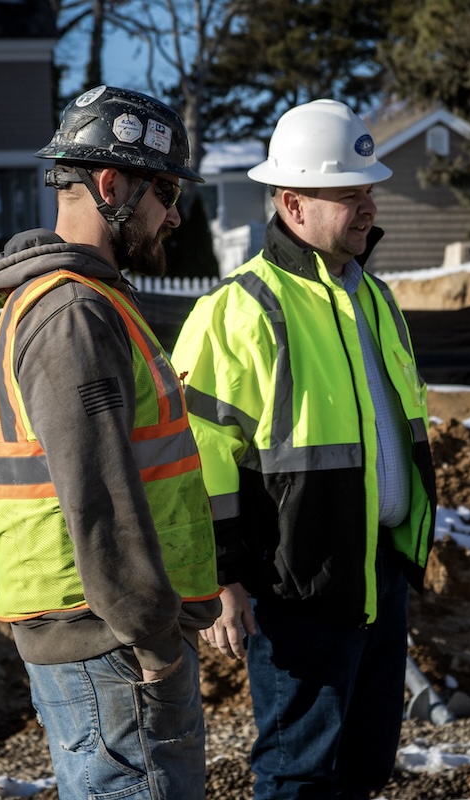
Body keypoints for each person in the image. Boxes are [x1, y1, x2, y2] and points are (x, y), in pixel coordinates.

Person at [170, 98, 438, 800]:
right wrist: (221, 579)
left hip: (375, 575)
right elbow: (199, 461)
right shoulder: (236, 312)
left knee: (365, 767)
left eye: (369, 190)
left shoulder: (374, 299)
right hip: (294, 588)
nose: (367, 205)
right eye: (348, 193)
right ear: (292, 204)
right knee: (298, 776)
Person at [0, 85, 222, 800]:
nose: (173, 213)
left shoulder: (84, 301)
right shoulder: (73, 314)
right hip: (110, 643)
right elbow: (99, 496)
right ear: (111, 184)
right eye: (163, 190)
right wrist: (155, 643)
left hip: (102, 637)